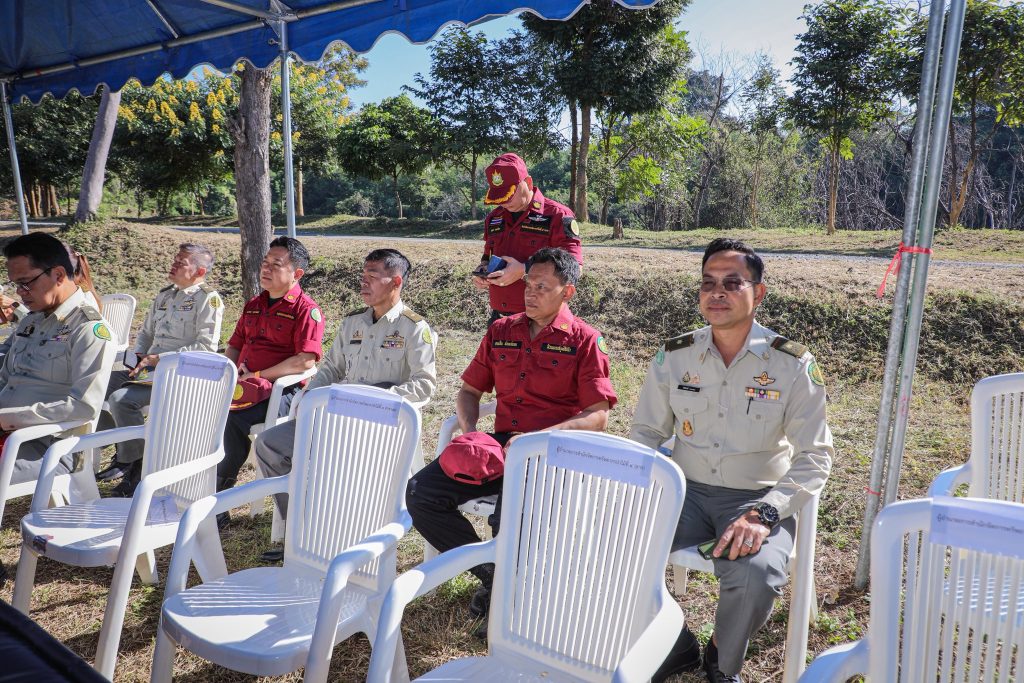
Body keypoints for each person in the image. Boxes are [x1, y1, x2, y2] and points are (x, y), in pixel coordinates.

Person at [628, 238, 834, 683]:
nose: (717, 292)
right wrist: (634, 494)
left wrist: (765, 513)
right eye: (708, 283)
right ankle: (674, 643)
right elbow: (646, 433)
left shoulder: (791, 364)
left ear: (758, 293)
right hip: (683, 492)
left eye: (732, 283)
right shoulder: (676, 355)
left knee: (756, 573)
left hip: (755, 497)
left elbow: (815, 455)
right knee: (614, 544)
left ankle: (720, 658)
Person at [407, 247, 616, 635]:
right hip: (500, 448)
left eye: (542, 287)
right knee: (421, 492)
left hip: (551, 452)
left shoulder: (584, 340)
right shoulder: (502, 330)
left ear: (567, 292)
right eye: (528, 284)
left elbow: (598, 415)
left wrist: (537, 439)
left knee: (511, 515)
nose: (530, 293)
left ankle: (511, 597)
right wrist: (471, 432)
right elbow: (469, 392)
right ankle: (493, 575)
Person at [253, 248, 437, 562]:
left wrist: (377, 401)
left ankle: (339, 534)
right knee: (270, 445)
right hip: (338, 417)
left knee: (335, 462)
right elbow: (331, 369)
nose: (363, 282)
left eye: (372, 276)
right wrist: (308, 396)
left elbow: (424, 384)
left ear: (395, 282)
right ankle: (301, 529)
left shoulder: (414, 328)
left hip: (380, 424)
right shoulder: (353, 322)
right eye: (363, 275)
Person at [0, 232, 116, 585]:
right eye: (15, 285)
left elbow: (82, 407)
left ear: (58, 275)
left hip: (50, 447)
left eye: (25, 283)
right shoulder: (32, 320)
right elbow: (6, 378)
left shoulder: (89, 329)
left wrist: (8, 419)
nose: (20, 293)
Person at [96, 243, 223, 496]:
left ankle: (136, 467)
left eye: (181, 263)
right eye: (175, 260)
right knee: (94, 387)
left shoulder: (208, 299)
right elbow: (146, 333)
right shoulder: (165, 295)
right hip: (149, 369)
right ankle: (119, 448)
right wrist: (139, 355)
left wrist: (160, 359)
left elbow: (206, 347)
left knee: (121, 400)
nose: (173, 265)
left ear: (199, 271)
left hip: (180, 374)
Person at [217, 236, 325, 524]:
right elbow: (234, 347)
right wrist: (230, 375)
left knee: (231, 419)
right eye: (265, 263)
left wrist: (258, 376)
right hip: (244, 387)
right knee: (204, 408)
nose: (265, 269)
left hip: (282, 392)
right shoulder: (254, 304)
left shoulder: (306, 310)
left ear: (296, 273)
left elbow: (306, 361)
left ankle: (217, 500)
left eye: (276, 265)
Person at [472, 153, 582, 325]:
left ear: (528, 183)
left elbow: (575, 268)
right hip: (500, 320)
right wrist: (483, 270)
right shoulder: (494, 218)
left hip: (541, 321)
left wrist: (525, 269)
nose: (504, 201)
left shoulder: (557, 215)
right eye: (499, 196)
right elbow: (488, 256)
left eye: (509, 193)